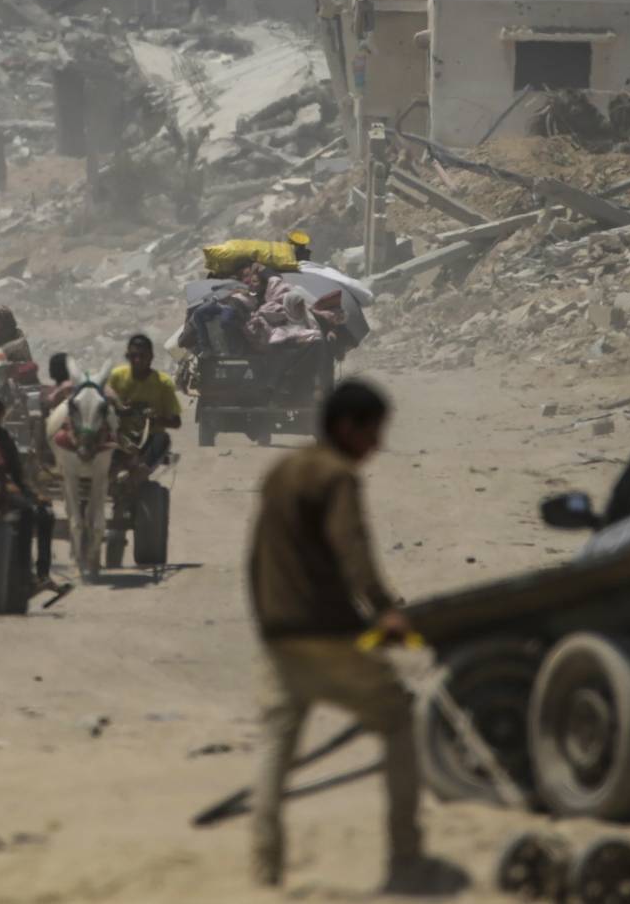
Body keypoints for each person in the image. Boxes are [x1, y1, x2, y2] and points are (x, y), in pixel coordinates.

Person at [247, 381, 449, 894]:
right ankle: (406, 858)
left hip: (280, 633)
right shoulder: (337, 476)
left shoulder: (283, 471)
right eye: (374, 431)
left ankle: (263, 869)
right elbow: (352, 550)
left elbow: (256, 557)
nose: (378, 445)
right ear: (348, 427)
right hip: (327, 633)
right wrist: (385, 612)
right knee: (400, 720)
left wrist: (268, 622)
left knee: (276, 744)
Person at [0, 394, 54, 585]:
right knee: (26, 514)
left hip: (10, 487)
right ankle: (23, 568)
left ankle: (43, 572)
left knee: (46, 513)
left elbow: (17, 473)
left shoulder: (4, 437)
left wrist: (35, 494)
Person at [103, 334, 183, 476]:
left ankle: (139, 474)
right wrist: (118, 405)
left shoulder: (162, 383)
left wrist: (155, 418)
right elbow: (104, 401)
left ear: (151, 357)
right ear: (128, 356)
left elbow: (176, 422)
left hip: (148, 439)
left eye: (142, 356)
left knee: (162, 438)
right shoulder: (117, 376)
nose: (138, 360)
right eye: (134, 356)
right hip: (119, 436)